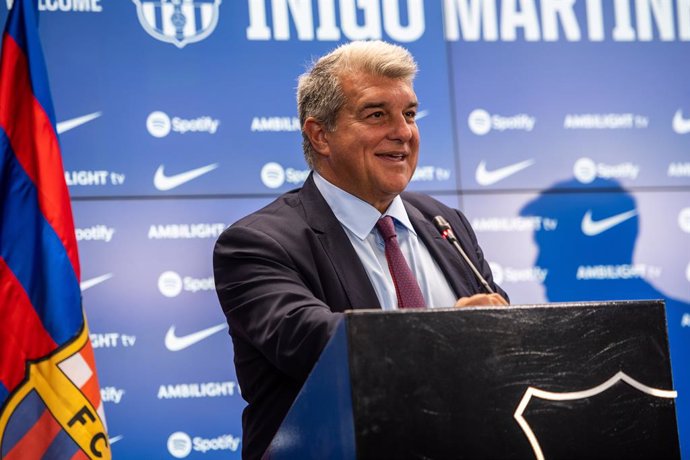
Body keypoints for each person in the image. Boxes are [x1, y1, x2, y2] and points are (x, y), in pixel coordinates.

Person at [213, 40, 508, 459]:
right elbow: (317, 346)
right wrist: (450, 338)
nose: (403, 132)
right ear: (320, 135)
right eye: (376, 115)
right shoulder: (257, 244)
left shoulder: (446, 223)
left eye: (409, 114)